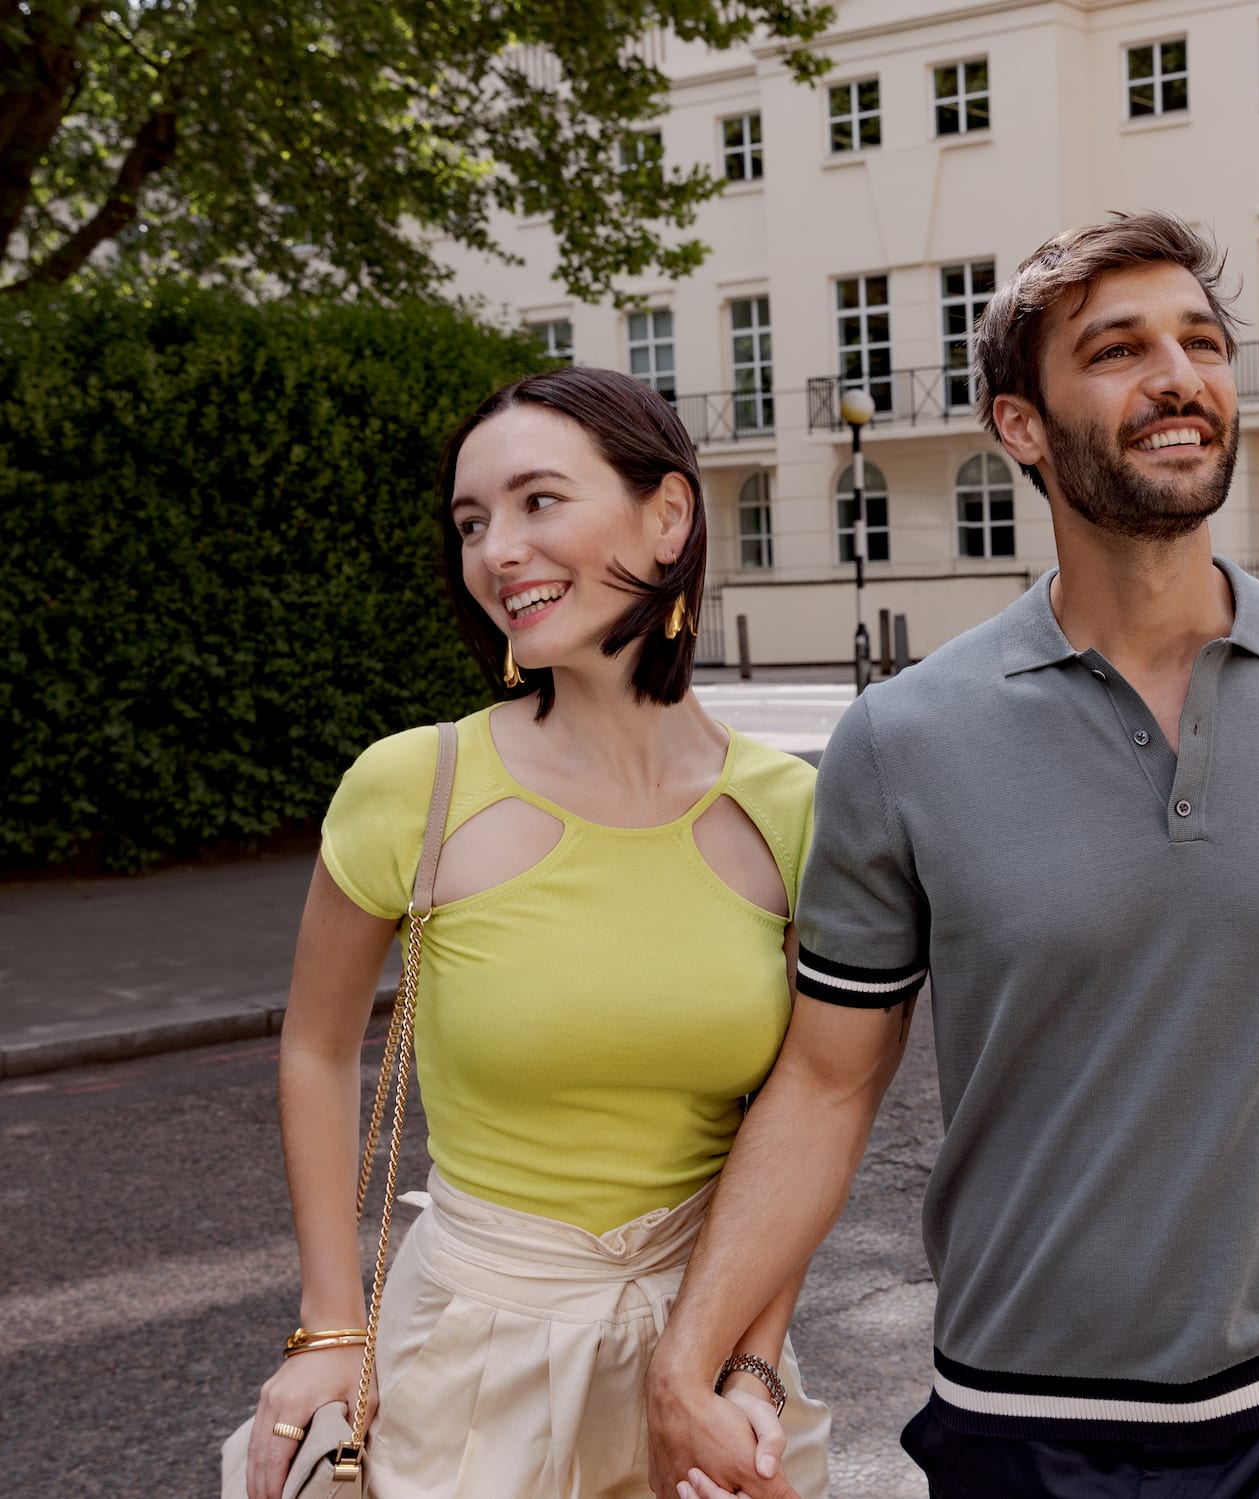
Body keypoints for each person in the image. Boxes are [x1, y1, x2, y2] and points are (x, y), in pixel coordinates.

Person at [647, 211, 1259, 1499]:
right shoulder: (902, 737)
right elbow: (825, 1083)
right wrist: (690, 1354)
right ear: (1022, 425)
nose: (1178, 375)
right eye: (1117, 349)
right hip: (1026, 1430)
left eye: (1201, 341)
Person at [225, 367, 843, 1499]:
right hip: (468, 1356)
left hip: (701, 1360)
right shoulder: (414, 783)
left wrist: (751, 1362)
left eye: (538, 501)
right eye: (472, 522)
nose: (496, 550)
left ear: (668, 517)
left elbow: (807, 1113)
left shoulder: (793, 814)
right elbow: (316, 1047)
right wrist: (326, 1325)